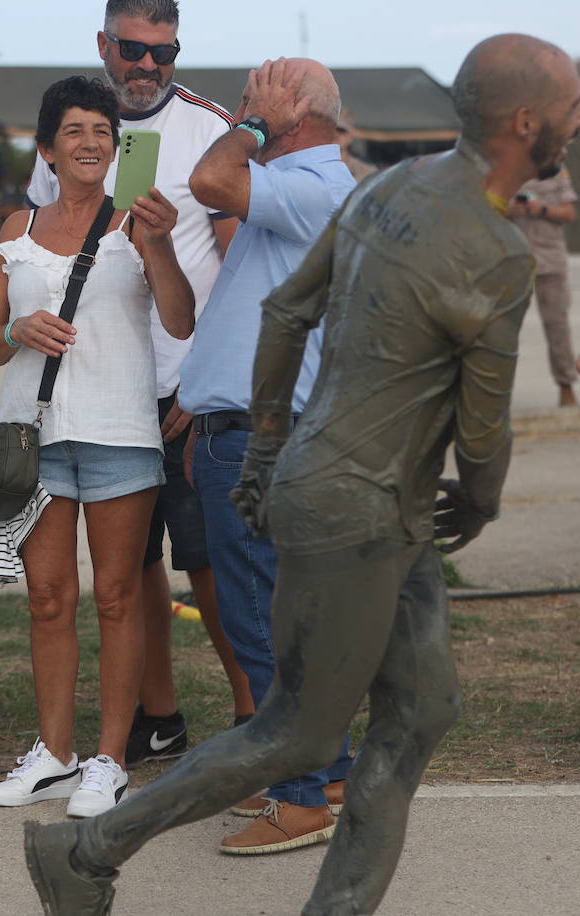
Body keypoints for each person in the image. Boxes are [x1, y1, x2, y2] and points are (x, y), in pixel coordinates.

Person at [22, 34, 580, 914]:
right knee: (302, 724)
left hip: (347, 482)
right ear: (527, 122)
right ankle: (87, 851)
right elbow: (482, 426)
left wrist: (266, 447)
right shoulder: (487, 242)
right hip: (360, 494)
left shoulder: (391, 187)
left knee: (422, 708)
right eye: (574, 107)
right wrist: (476, 501)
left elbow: (286, 313)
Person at [25, 0, 254, 763]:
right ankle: (161, 713)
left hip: (185, 385)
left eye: (165, 52)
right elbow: (39, 254)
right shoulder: (71, 128)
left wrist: (201, 381)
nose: (149, 65)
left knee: (210, 563)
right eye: (133, 48)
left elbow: (240, 270)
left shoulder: (207, 130)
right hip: (101, 386)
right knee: (134, 566)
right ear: (104, 44)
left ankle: (256, 721)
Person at [0, 76, 194, 818]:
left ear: (120, 144)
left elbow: (180, 319)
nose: (92, 141)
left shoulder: (137, 224)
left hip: (120, 432)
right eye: (74, 131)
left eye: (103, 130)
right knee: (46, 599)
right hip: (35, 438)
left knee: (120, 597)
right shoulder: (15, 228)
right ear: (48, 149)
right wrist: (16, 330)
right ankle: (55, 755)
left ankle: (110, 759)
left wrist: (158, 243)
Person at [173, 56, 355, 855]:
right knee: (290, 620)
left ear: (296, 110)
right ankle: (329, 771)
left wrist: (251, 127)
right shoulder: (302, 190)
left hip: (260, 439)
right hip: (245, 430)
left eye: (253, 102)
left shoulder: (313, 185)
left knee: (265, 624)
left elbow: (207, 181)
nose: (235, 116)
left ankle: (302, 796)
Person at [508, 166, 580, 406]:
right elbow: (484, 209)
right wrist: (509, 209)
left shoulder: (556, 170)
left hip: (549, 260)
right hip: (511, 259)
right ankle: (497, 391)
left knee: (557, 327)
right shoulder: (507, 164)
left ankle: (566, 386)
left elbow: (570, 213)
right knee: (503, 330)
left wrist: (543, 209)